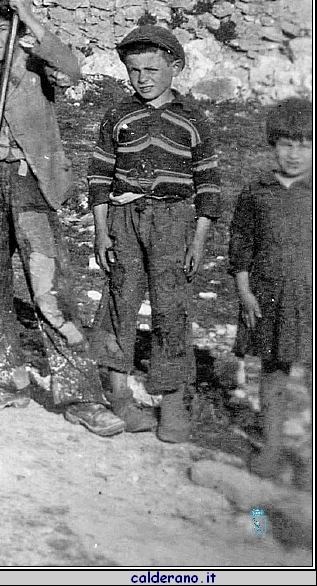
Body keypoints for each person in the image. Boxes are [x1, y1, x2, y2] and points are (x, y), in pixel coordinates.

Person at [0, 0, 124, 436]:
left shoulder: (37, 66)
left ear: (15, 27)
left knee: (48, 288)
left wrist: (34, 21)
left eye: (1, 28)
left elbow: (73, 70)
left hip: (30, 183)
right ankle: (6, 380)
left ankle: (81, 394)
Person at [88, 25, 221, 443]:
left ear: (175, 68)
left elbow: (209, 185)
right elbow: (98, 175)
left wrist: (197, 241)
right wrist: (101, 231)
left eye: (152, 68)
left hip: (173, 222)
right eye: (134, 69)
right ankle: (118, 397)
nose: (142, 78)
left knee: (170, 308)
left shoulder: (193, 120)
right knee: (119, 303)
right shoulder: (118, 116)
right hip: (124, 221)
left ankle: (174, 402)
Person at [231, 97, 313, 480]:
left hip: (309, 298)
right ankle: (273, 447)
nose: (294, 154)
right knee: (274, 372)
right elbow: (241, 247)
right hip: (270, 298)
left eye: (306, 144)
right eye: (286, 144)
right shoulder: (256, 193)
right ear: (272, 145)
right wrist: (245, 293)